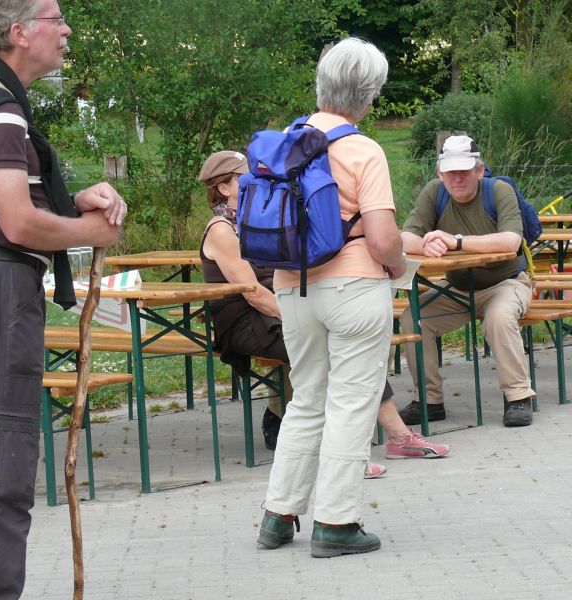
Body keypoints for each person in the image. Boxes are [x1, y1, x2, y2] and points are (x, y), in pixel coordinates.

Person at [0, 2, 126, 598]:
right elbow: (15, 223)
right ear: (19, 32)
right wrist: (91, 233)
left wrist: (71, 199)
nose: (66, 32)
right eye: (56, 19)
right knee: (2, 456)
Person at [197, 151, 449, 474]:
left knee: (345, 345)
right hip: (249, 326)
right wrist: (300, 319)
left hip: (273, 316)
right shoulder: (221, 229)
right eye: (242, 177)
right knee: (329, 351)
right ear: (223, 188)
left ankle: (389, 439)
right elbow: (254, 293)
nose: (254, 181)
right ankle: (346, 455)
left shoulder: (250, 217)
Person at [257, 38, 408, 557]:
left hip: (291, 287)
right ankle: (336, 523)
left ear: (322, 86)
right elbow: (384, 239)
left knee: (306, 399)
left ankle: (278, 515)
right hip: (353, 287)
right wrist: (401, 268)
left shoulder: (284, 142)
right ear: (368, 96)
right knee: (351, 404)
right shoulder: (363, 149)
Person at [399, 135, 535, 428]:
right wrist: (426, 245)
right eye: (450, 171)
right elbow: (405, 236)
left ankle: (519, 397)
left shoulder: (498, 190)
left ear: (480, 169)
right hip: (458, 288)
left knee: (498, 318)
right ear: (439, 173)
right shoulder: (434, 192)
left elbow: (512, 241)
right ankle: (429, 401)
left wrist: (455, 242)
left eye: (464, 170)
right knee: (414, 317)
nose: (457, 178)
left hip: (507, 282)